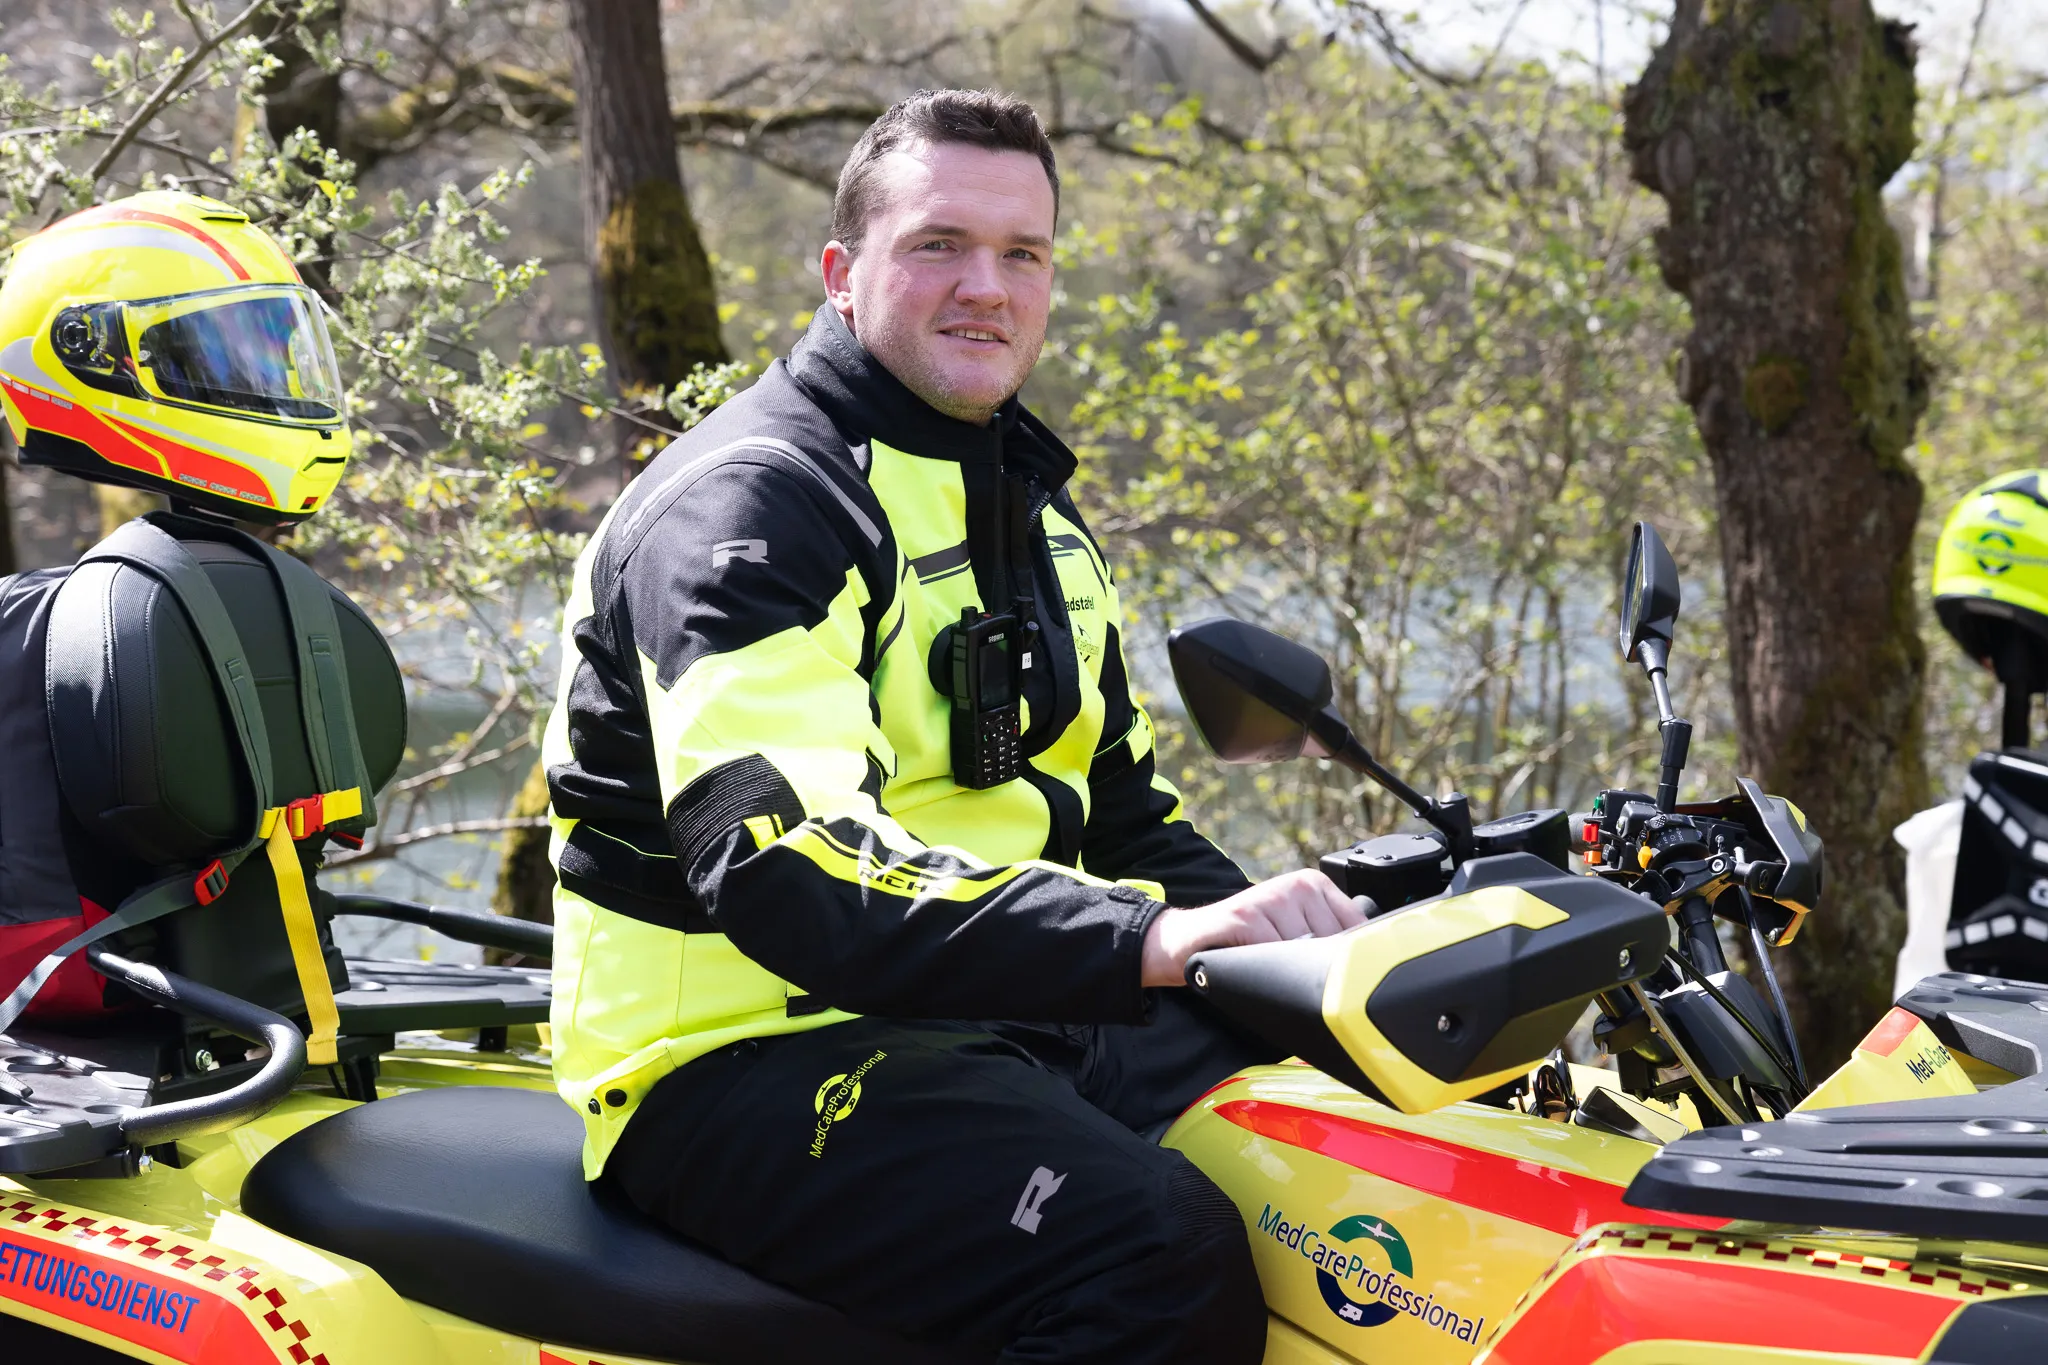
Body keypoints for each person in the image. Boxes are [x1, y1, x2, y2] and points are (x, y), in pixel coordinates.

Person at [543, 88, 1363, 1364]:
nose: (986, 286)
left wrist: (1322, 954)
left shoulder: (1028, 508)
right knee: (1159, 1255)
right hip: (739, 1056)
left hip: (989, 1010)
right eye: (938, 245)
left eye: (1020, 255)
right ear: (840, 272)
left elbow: (1125, 821)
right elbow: (786, 863)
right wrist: (1148, 941)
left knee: (1382, 1131)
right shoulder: (750, 509)